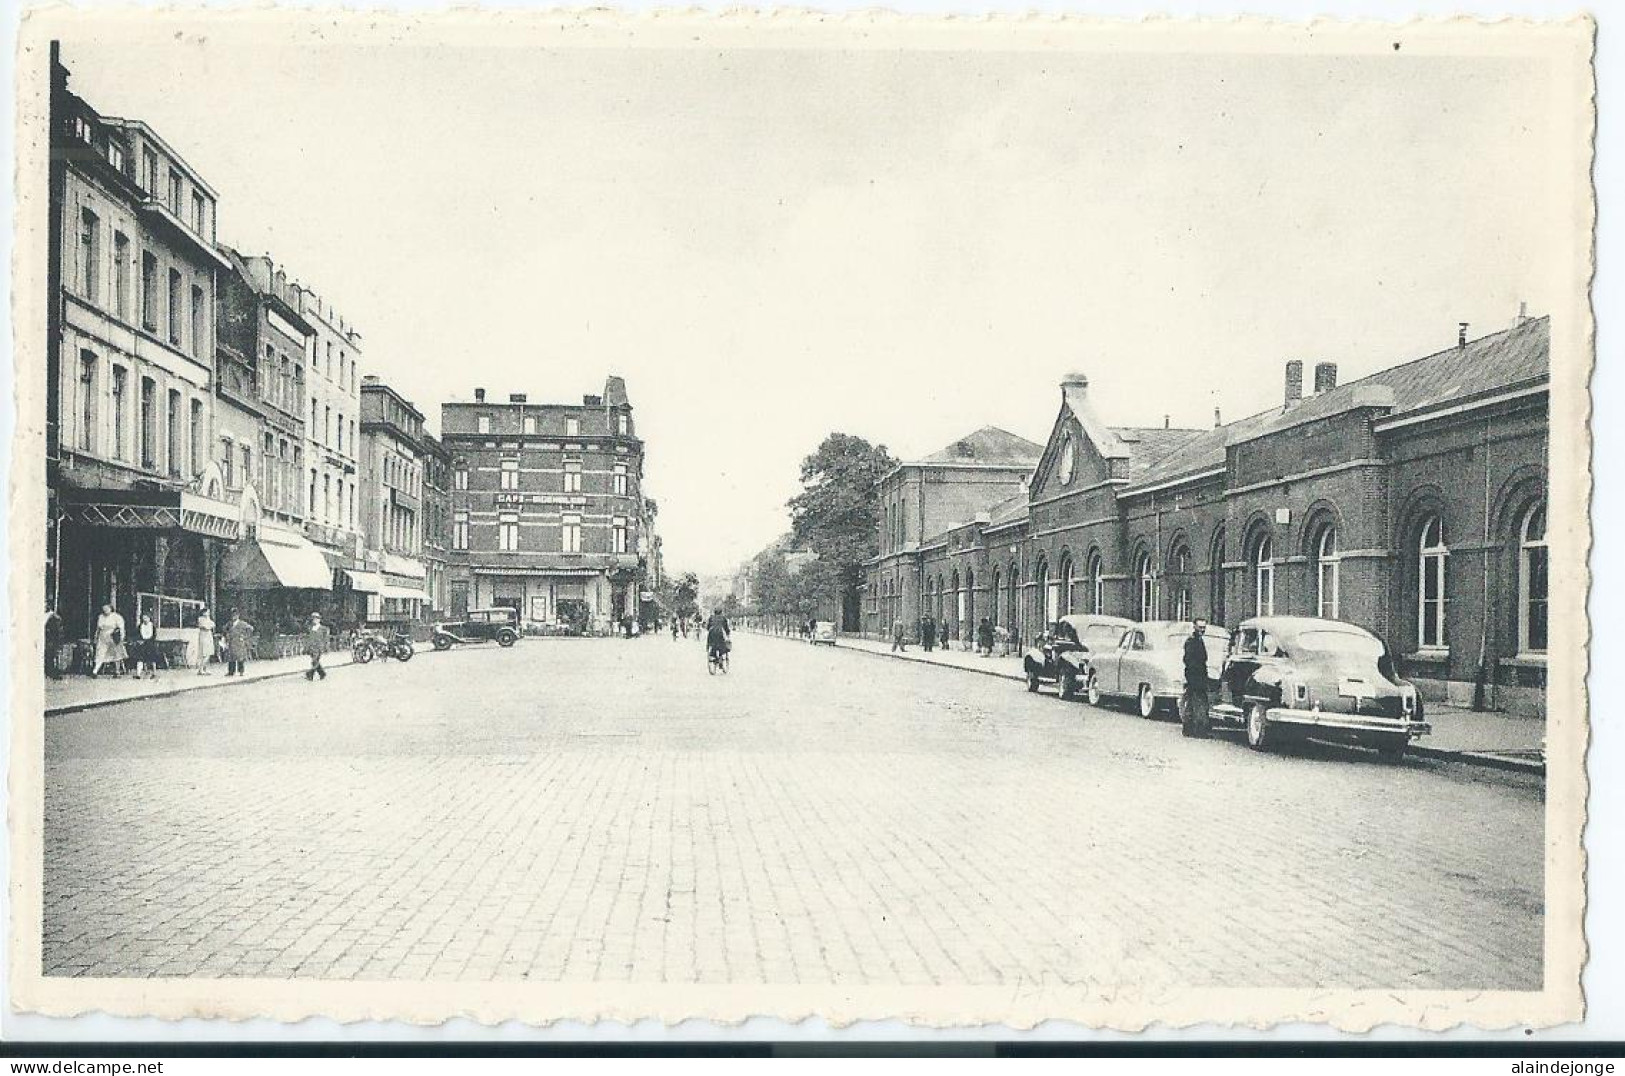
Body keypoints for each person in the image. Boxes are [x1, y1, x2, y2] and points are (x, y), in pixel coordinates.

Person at [1181, 617, 1212, 738]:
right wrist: (1194, 676)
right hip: (1195, 676)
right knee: (1199, 703)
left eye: (1204, 628)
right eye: (1200, 627)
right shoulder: (1191, 641)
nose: (1202, 630)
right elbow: (1189, 660)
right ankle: (1199, 730)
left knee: (1192, 703)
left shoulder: (1198, 640)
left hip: (1198, 676)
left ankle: (1189, 729)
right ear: (1194, 627)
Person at [90, 603, 127, 678]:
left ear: (111, 608)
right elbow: (98, 628)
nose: (105, 610)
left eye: (107, 609)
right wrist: (95, 637)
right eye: (104, 609)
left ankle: (117, 672)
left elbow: (121, 628)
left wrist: (122, 637)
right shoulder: (101, 617)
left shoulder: (116, 617)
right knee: (100, 653)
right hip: (103, 637)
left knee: (116, 654)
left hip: (113, 637)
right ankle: (95, 671)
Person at [224, 610, 255, 677]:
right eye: (232, 615)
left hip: (239, 641)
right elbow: (225, 629)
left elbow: (251, 628)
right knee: (231, 657)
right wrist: (227, 636)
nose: (233, 617)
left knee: (240, 657)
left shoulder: (242, 623)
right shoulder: (229, 623)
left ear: (238, 616)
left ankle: (241, 671)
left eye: (235, 615)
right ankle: (231, 671)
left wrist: (244, 636)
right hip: (231, 641)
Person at [132, 613, 160, 679]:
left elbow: (154, 635)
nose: (145, 620)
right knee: (140, 659)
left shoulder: (152, 626)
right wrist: (139, 640)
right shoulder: (140, 626)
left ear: (149, 618)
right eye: (143, 618)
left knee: (152, 659)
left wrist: (150, 641)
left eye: (146, 618)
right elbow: (137, 634)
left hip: (150, 643)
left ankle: (154, 673)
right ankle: (138, 674)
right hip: (142, 643)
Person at [304, 613, 331, 681]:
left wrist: (326, 648)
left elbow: (326, 639)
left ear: (319, 620)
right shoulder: (311, 628)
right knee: (315, 662)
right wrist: (306, 647)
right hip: (311, 647)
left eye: (316, 619)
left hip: (319, 648)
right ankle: (322, 673)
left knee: (314, 661)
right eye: (313, 619)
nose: (315, 620)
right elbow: (309, 638)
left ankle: (309, 674)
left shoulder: (323, 629)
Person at [44, 606, 64, 680]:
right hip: (47, 639)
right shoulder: (45, 616)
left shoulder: (53, 617)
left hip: (50, 640)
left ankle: (51, 672)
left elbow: (58, 631)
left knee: (50, 656)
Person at [195, 607, 216, 675]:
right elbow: (205, 627)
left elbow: (213, 624)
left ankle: (204, 669)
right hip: (204, 637)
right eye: (207, 612)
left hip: (208, 636)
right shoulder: (201, 619)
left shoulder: (208, 619)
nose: (208, 613)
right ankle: (201, 669)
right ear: (203, 612)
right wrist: (209, 626)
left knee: (208, 653)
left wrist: (209, 625)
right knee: (204, 654)